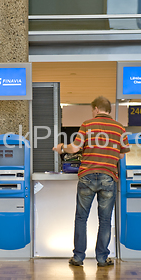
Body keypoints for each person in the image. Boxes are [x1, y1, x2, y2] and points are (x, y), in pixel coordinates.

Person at [52, 96, 130, 267]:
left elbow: (74, 148)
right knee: (105, 219)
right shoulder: (119, 128)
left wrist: (61, 147)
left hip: (87, 176)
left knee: (81, 218)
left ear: (96, 108)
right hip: (108, 177)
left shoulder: (87, 124)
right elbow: (122, 154)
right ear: (108, 110)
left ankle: (78, 258)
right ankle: (102, 258)